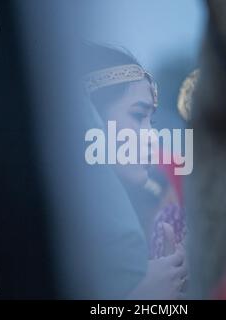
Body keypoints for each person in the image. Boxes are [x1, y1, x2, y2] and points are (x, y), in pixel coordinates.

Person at [82, 43, 188, 299]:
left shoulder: (163, 208)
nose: (153, 137)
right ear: (92, 120)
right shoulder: (68, 226)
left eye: (151, 122)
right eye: (138, 116)